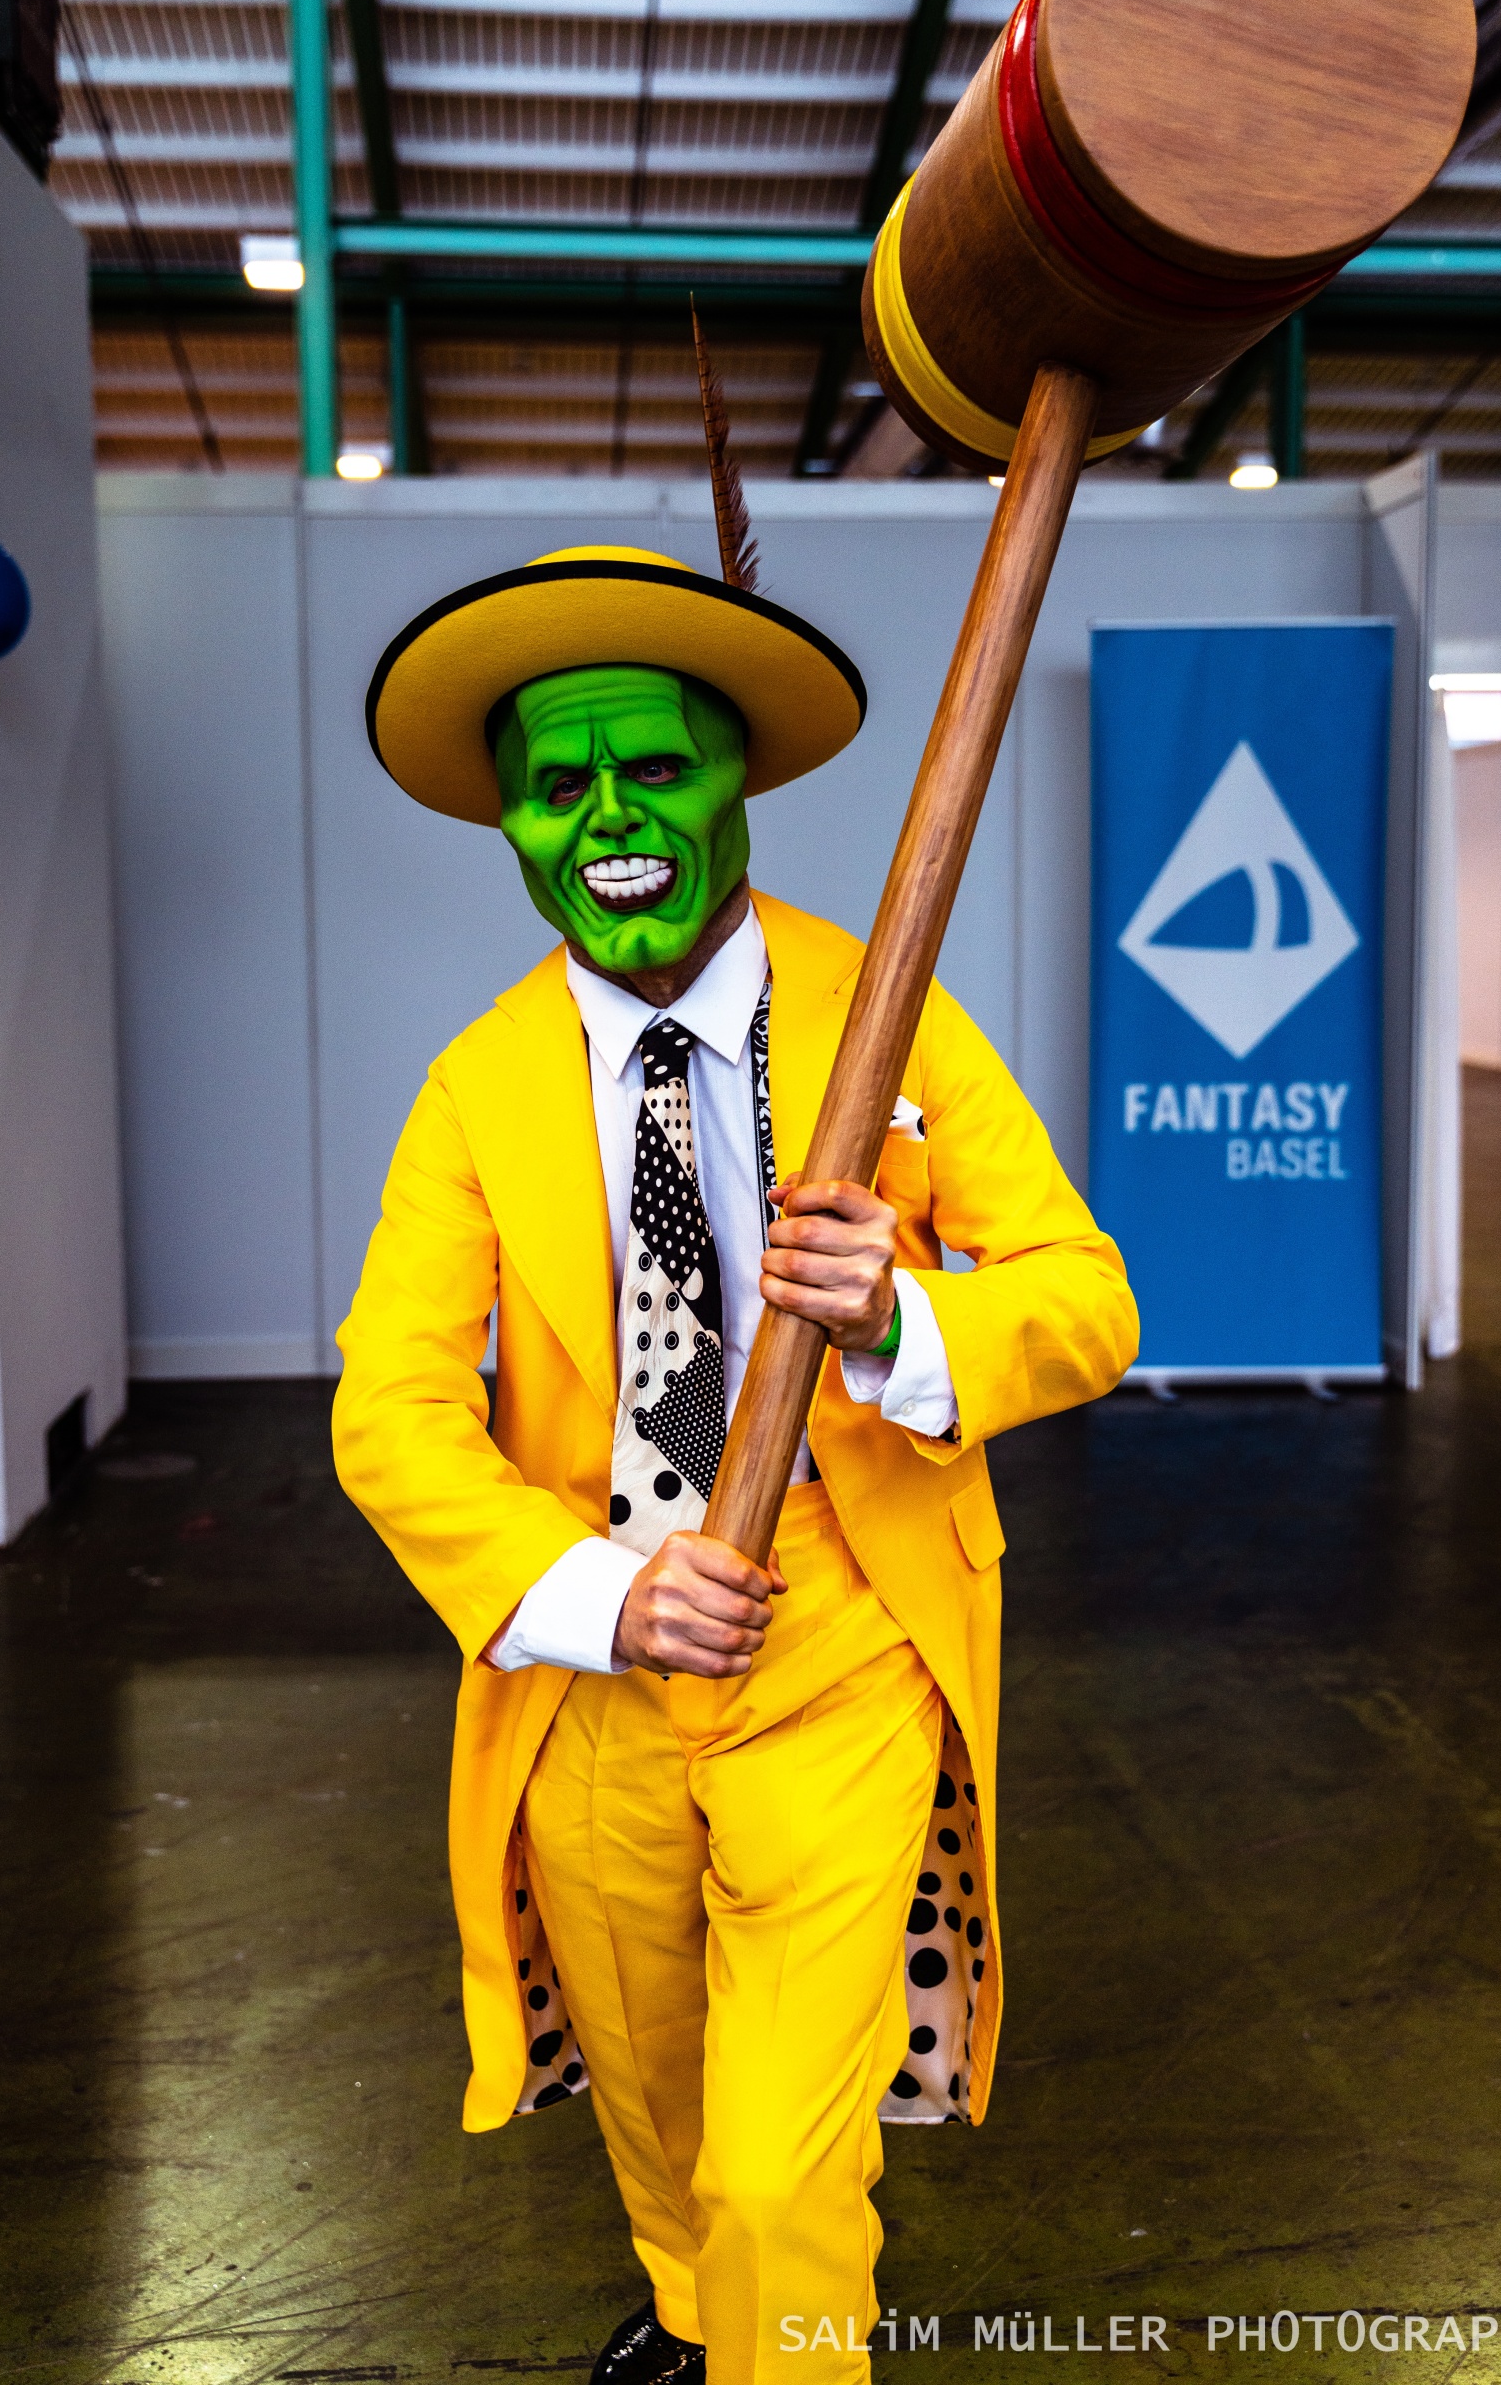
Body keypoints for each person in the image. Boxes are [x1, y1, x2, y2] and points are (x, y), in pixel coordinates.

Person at [332, 539, 1137, 2385]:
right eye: (559, 785)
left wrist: (901, 1319)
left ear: (736, 782)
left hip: (840, 1654)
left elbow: (1085, 1301)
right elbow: (391, 1404)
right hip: (595, 1685)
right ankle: (706, 2325)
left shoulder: (891, 1018)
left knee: (779, 2167)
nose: (610, 817)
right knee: (661, 2104)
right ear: (514, 828)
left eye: (654, 765)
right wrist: (600, 1602)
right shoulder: (479, 1086)